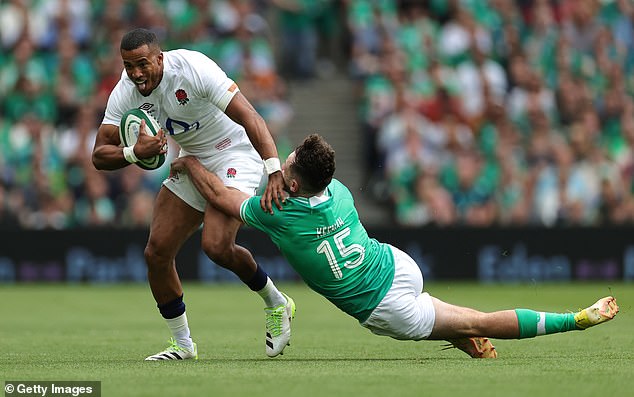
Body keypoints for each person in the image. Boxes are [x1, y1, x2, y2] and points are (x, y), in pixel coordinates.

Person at [170, 134, 620, 358]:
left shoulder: (279, 213)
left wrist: (189, 160)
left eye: (285, 162)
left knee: (478, 320)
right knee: (463, 323)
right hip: (399, 265)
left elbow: (220, 197)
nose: (282, 160)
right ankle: (461, 335)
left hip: (384, 307)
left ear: (290, 181)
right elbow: (291, 184)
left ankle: (574, 320)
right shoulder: (340, 191)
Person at [92, 28, 295, 361]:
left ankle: (277, 303)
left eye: (142, 64)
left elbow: (250, 116)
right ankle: (183, 345)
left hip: (234, 155)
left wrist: (274, 170)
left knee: (216, 246)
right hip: (190, 160)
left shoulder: (193, 68)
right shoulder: (126, 91)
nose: (136, 74)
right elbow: (99, 154)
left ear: (160, 57)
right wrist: (133, 152)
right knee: (156, 253)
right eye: (129, 66)